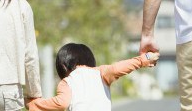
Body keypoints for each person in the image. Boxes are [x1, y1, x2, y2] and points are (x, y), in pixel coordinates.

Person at [27, 43, 159, 111]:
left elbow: (62, 103)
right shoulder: (101, 73)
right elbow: (118, 68)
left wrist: (35, 104)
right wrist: (144, 59)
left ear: (63, 66)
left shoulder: (67, 81)